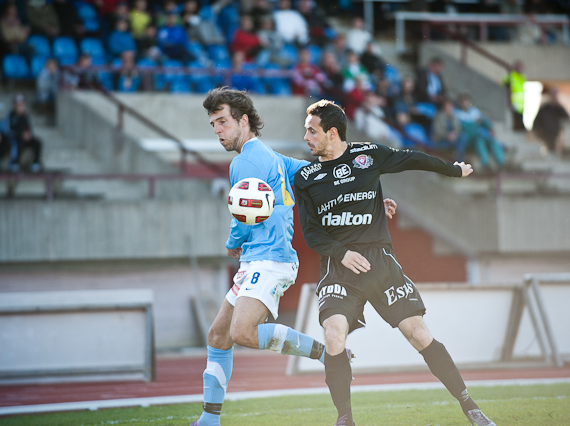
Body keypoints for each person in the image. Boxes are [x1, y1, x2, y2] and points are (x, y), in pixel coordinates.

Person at [191, 87, 396, 426]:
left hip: (269, 260)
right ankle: (209, 420)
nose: (217, 130)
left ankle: (324, 353)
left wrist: (231, 242)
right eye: (213, 124)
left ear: (243, 121)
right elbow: (326, 177)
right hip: (260, 261)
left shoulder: (244, 162)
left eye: (223, 122)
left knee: (242, 332)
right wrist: (372, 201)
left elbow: (243, 216)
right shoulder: (274, 158)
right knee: (218, 336)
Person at [293, 99, 496, 426]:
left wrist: (452, 169)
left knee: (418, 333)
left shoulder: (367, 156)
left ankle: (469, 405)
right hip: (339, 267)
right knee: (333, 335)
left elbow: (411, 158)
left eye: (311, 131)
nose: (306, 137)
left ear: (332, 133)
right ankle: (345, 417)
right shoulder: (306, 176)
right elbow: (311, 233)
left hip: (380, 263)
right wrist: (342, 252)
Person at [455, 94, 506, 171]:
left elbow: (485, 121)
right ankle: (485, 164)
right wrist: (475, 123)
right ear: (460, 103)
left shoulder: (474, 111)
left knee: (489, 140)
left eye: (467, 101)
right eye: (463, 102)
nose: (465, 104)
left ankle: (502, 163)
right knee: (481, 140)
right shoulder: (457, 114)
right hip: (469, 139)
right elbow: (465, 128)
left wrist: (490, 128)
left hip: (480, 136)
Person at [8, 94, 43, 173]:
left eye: (22, 104)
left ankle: (35, 163)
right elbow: (11, 129)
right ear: (14, 105)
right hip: (16, 138)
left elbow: (28, 128)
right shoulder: (11, 115)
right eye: (18, 105)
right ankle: (14, 162)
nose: (20, 107)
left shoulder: (25, 116)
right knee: (17, 143)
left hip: (26, 138)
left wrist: (28, 135)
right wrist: (21, 134)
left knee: (37, 142)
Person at [532, 86, 569, 153]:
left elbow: (567, 119)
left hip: (557, 138)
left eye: (555, 95)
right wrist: (542, 135)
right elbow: (535, 124)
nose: (554, 97)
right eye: (552, 94)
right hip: (546, 138)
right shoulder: (543, 110)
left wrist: (559, 106)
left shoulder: (559, 109)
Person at [503, 60, 527, 131]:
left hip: (521, 105)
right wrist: (509, 102)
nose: (520, 68)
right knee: (514, 122)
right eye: (519, 66)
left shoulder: (522, 77)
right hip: (513, 103)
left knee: (520, 122)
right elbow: (506, 88)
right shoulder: (511, 76)